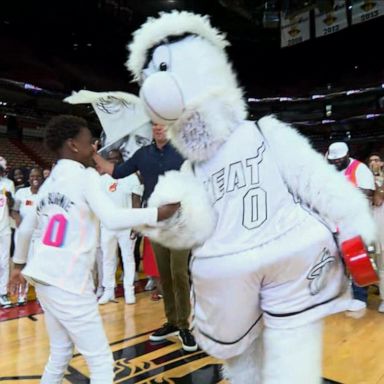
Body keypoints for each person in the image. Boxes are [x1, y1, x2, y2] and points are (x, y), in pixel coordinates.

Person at [8, 115, 180, 384]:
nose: (94, 149)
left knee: (60, 353)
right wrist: (158, 213)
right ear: (74, 145)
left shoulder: (50, 181)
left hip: (43, 278)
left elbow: (27, 229)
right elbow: (111, 218)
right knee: (101, 363)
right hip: (68, 282)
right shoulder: (85, 175)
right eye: (90, 143)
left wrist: (18, 266)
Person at [94, 123, 197, 352]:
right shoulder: (143, 154)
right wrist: (94, 154)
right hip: (155, 220)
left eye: (163, 125)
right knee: (165, 274)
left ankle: (184, 326)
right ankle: (171, 322)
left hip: (181, 220)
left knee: (179, 271)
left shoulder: (182, 152)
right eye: (155, 125)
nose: (159, 128)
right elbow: (117, 172)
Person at [327, 142, 375, 312]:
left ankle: (360, 296)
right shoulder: (329, 170)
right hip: (334, 224)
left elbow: (368, 193)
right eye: (333, 161)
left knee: (357, 261)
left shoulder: (359, 169)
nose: (336, 163)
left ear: (347, 155)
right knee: (336, 263)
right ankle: (340, 295)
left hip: (354, 224)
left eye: (339, 160)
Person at [97, 149, 143, 305]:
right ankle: (108, 291)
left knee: (128, 258)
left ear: (122, 159)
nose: (114, 161)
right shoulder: (102, 179)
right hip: (108, 225)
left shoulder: (131, 178)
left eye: (117, 158)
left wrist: (136, 224)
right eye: (111, 159)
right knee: (108, 259)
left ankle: (128, 291)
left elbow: (137, 201)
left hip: (126, 225)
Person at [11, 167, 44, 305]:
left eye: (37, 176)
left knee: (38, 266)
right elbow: (14, 211)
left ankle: (40, 295)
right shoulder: (21, 193)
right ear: (28, 178)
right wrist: (17, 218)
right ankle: (21, 295)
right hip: (22, 235)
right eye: (32, 176)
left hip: (39, 235)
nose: (34, 178)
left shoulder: (45, 193)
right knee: (22, 265)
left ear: (42, 179)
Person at [368, 153, 384, 312]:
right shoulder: (365, 180)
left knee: (382, 265)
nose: (373, 163)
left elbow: (378, 200)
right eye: (371, 160)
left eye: (376, 160)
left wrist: (377, 183)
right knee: (372, 264)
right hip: (369, 226)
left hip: (381, 225)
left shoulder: (380, 181)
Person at [0, 156, 15, 307]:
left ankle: (3, 293)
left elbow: (11, 204)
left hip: (4, 227)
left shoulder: (8, 183)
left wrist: (9, 197)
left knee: (4, 262)